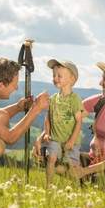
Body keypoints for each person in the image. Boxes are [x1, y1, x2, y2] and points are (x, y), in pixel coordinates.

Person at [35, 59, 105, 191]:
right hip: (92, 160)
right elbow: (64, 119)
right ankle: (86, 183)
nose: (100, 83)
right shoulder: (99, 101)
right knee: (49, 155)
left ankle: (90, 184)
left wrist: (85, 171)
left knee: (100, 183)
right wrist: (43, 136)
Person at [37, 59, 83, 187]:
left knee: (72, 167)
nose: (55, 78)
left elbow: (79, 121)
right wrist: (46, 133)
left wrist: (72, 141)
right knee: (51, 158)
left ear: (72, 79)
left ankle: (76, 187)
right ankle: (48, 186)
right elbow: (48, 117)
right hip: (55, 138)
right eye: (54, 75)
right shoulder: (53, 99)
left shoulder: (75, 99)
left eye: (59, 76)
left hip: (71, 140)